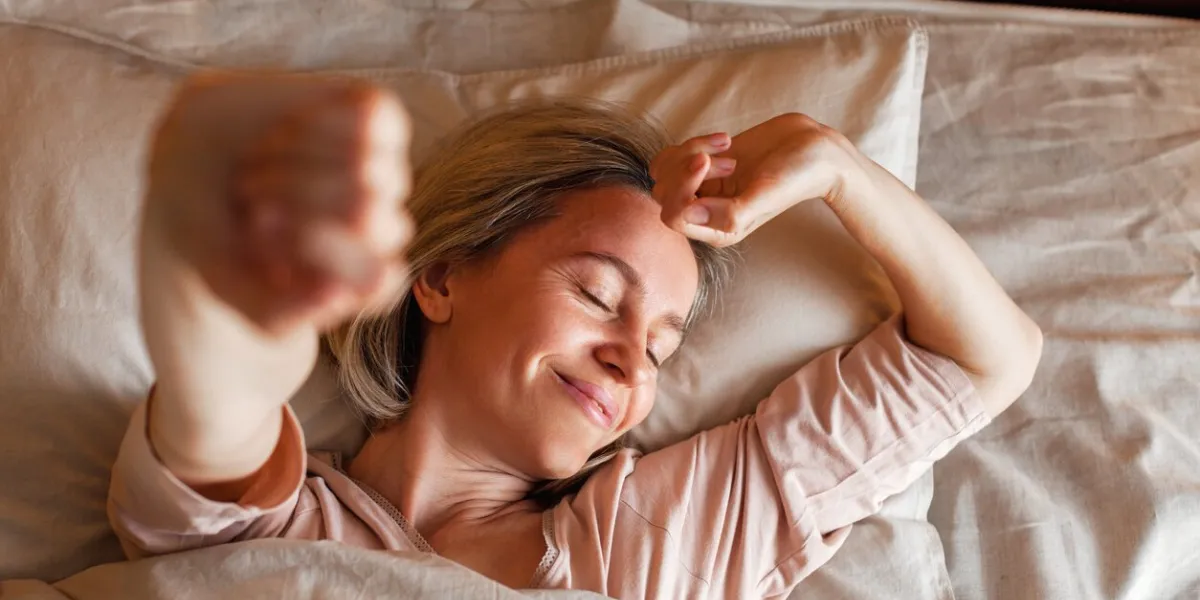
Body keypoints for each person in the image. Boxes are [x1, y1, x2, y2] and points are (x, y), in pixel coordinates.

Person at [108, 73, 1043, 598]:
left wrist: (839, 168)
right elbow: (220, 396)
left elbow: (988, 357)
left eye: (663, 348)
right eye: (598, 295)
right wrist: (245, 292)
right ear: (441, 276)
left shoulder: (661, 537)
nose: (633, 360)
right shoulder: (277, 524)